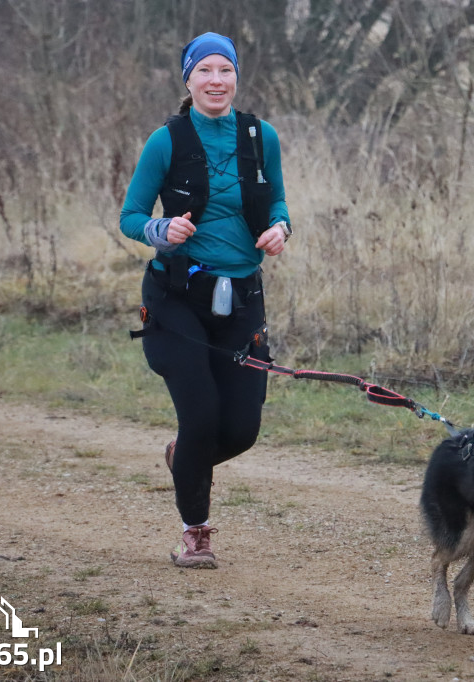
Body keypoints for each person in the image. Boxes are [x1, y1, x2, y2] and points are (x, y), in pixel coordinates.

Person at [119, 32, 292, 569]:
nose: (216, 81)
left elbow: (279, 199)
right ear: (188, 79)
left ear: (236, 77)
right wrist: (160, 227)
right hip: (176, 300)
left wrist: (281, 227)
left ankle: (184, 461)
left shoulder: (262, 136)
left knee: (241, 429)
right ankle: (196, 533)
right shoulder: (165, 141)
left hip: (242, 299)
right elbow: (130, 217)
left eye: (225, 70)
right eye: (205, 71)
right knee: (201, 417)